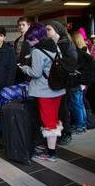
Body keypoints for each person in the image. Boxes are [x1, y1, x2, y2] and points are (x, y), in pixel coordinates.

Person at [19, 23, 65, 162]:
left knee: (49, 122)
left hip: (45, 91)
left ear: (35, 38)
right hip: (57, 89)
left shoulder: (37, 51)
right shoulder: (54, 46)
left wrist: (24, 68)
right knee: (53, 119)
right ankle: (50, 148)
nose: (28, 42)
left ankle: (51, 154)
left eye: (30, 39)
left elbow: (36, 73)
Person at [46, 21, 77, 145]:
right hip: (55, 81)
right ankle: (58, 132)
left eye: (49, 29)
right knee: (57, 109)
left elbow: (71, 62)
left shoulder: (66, 44)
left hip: (64, 82)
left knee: (64, 109)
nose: (46, 32)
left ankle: (66, 133)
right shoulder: (52, 44)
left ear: (57, 31)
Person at [69, 32, 89, 134]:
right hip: (83, 82)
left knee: (76, 104)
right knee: (80, 104)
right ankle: (83, 124)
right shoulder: (86, 51)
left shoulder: (78, 53)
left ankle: (79, 126)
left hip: (76, 82)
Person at [14, 17, 32, 83]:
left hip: (28, 69)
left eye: (23, 25)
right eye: (19, 25)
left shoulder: (32, 39)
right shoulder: (17, 40)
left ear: (29, 26)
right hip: (18, 69)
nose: (21, 27)